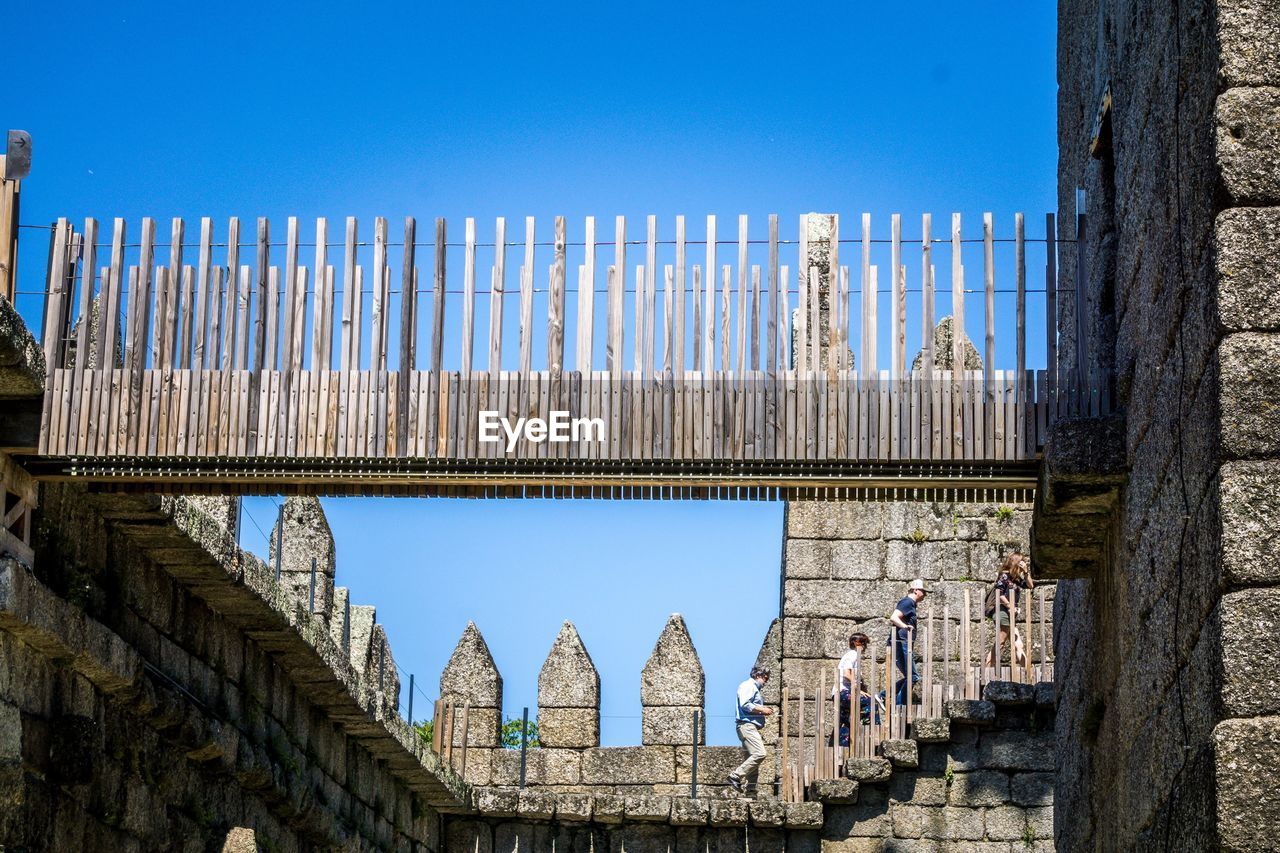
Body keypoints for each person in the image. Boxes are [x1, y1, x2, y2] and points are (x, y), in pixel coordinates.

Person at [984, 552, 1034, 669]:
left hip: (1009, 614)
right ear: (1016, 563)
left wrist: (1026, 572)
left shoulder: (1015, 579)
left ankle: (1028, 674)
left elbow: (1030, 585)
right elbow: (999, 594)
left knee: (1018, 645)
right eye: (1021, 562)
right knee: (1000, 642)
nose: (1023, 564)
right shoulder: (1004, 576)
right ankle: (986, 670)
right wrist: (1010, 606)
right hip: (1002, 612)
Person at [728, 665, 773, 795]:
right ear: (758, 675)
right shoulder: (748, 685)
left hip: (748, 726)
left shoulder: (753, 688)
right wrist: (762, 709)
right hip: (746, 726)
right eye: (765, 677)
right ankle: (735, 776)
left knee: (753, 759)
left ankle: (750, 791)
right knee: (760, 753)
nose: (766, 681)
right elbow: (745, 704)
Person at [887, 579, 926, 706]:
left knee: (909, 677)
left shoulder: (911, 604)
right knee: (912, 677)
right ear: (915, 590)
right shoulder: (907, 602)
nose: (925, 594)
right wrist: (905, 627)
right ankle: (898, 706)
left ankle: (883, 695)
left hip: (903, 644)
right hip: (902, 643)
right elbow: (893, 617)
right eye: (923, 591)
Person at [835, 633, 871, 745]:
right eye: (863, 643)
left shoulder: (850, 655)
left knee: (846, 722)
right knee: (869, 702)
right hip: (844, 692)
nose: (865, 647)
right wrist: (857, 690)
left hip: (839, 693)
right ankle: (870, 730)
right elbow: (846, 674)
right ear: (856, 643)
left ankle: (842, 750)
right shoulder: (853, 654)